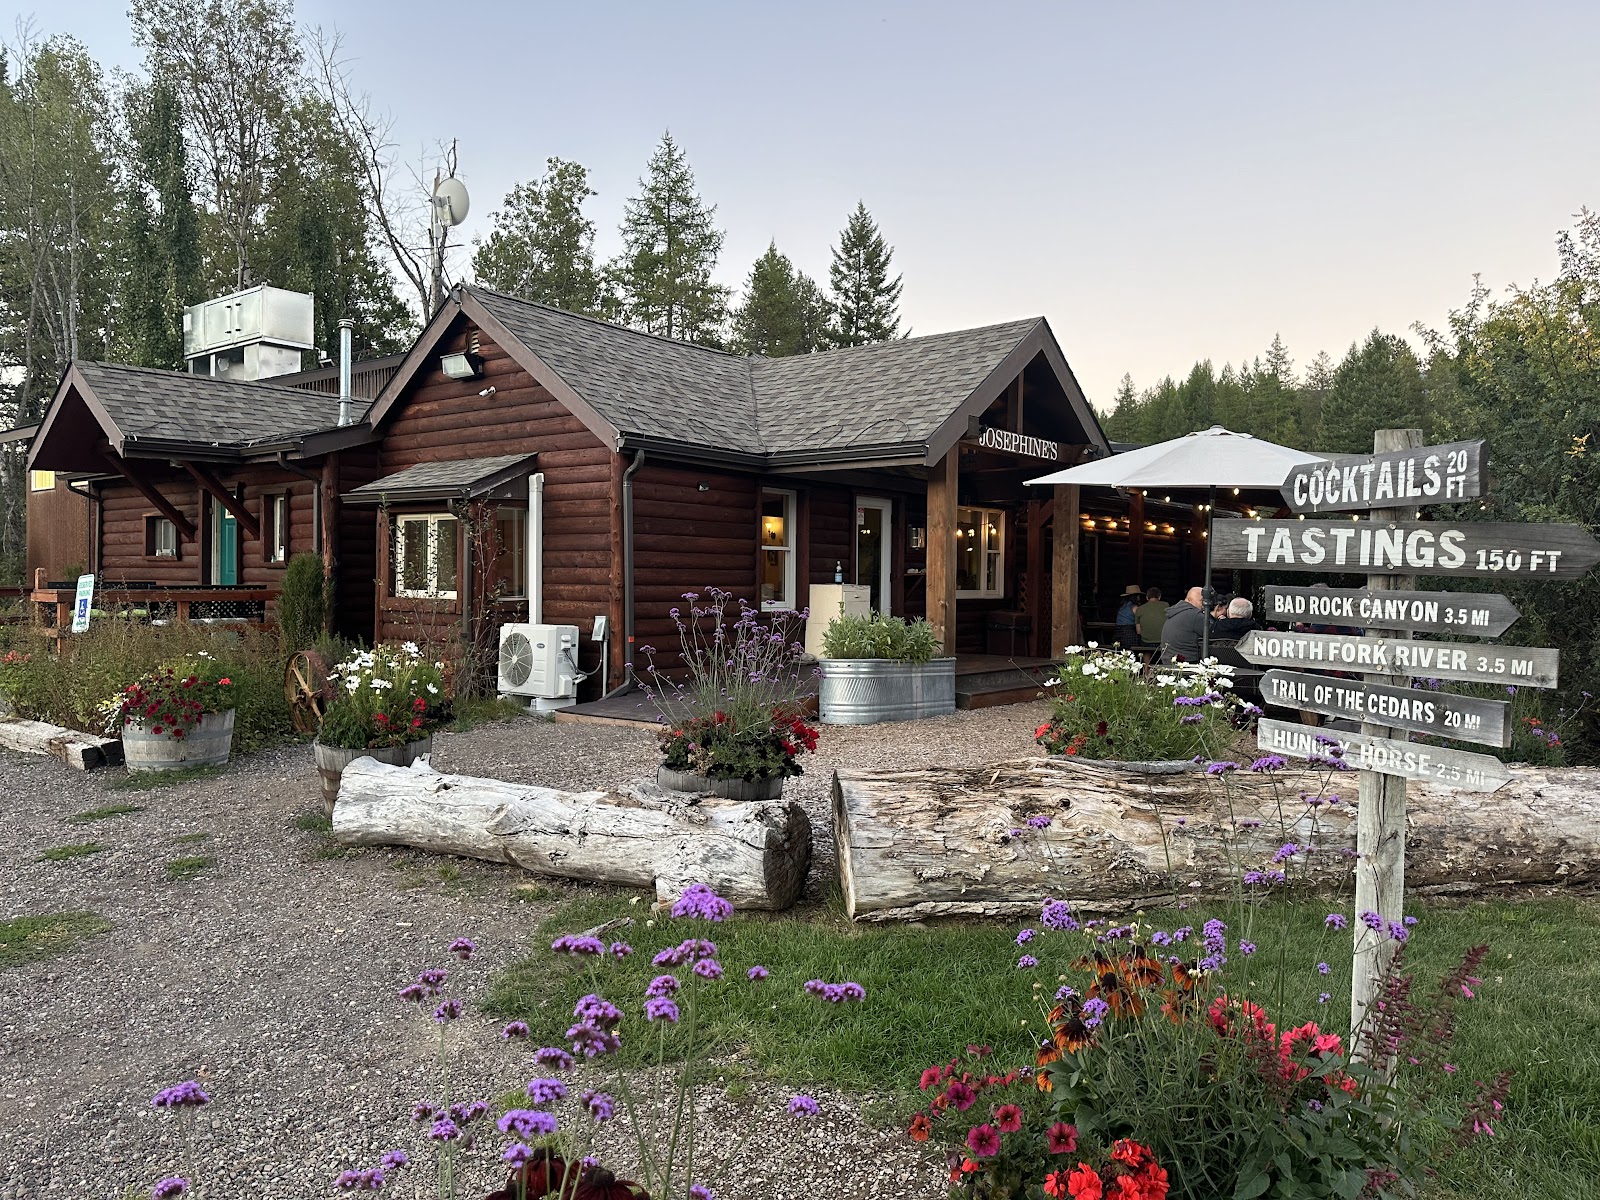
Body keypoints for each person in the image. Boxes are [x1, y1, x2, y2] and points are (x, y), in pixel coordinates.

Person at [1160, 586, 1206, 663]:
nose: (1204, 604)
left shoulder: (1174, 612)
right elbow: (1213, 634)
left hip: (1167, 660)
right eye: (1201, 600)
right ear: (1190, 599)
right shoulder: (1195, 615)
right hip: (1187, 663)